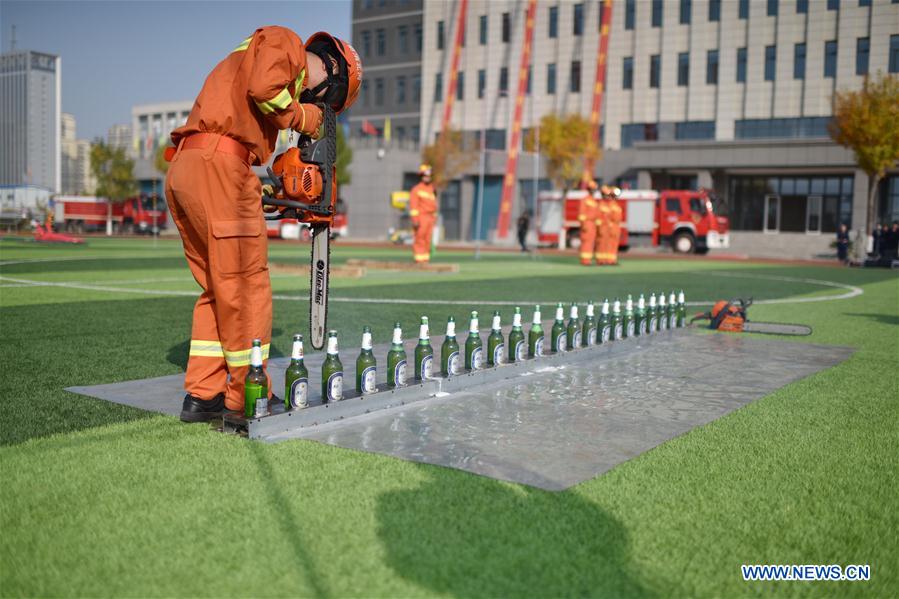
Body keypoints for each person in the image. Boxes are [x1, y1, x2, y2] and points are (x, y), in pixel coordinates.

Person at [165, 27, 362, 422]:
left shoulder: (254, 55)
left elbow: (255, 98)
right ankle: (246, 399)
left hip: (191, 166)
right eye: (328, 101)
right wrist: (305, 118)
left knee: (218, 289)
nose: (318, 104)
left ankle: (204, 395)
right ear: (333, 70)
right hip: (220, 165)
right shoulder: (285, 42)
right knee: (246, 287)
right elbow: (265, 88)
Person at [409, 164, 438, 263]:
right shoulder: (416, 189)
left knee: (427, 239)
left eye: (429, 176)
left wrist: (434, 219)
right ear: (421, 176)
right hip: (421, 218)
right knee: (420, 238)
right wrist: (415, 220)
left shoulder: (432, 189)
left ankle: (425, 259)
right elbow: (413, 207)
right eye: (425, 176)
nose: (427, 178)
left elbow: (434, 206)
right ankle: (419, 260)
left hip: (430, 218)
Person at [577, 180, 598, 265]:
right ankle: (585, 260)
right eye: (592, 189)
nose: (593, 191)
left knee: (591, 243)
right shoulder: (585, 200)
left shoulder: (594, 201)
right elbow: (581, 214)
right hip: (587, 223)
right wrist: (584, 224)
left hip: (592, 224)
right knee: (586, 242)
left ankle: (588, 260)